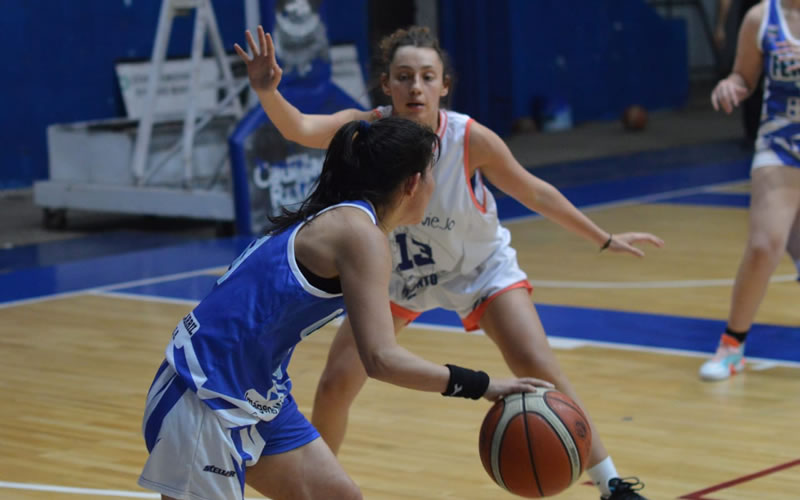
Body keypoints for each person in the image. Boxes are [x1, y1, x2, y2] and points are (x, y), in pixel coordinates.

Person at [235, 25, 663, 500]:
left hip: (479, 269)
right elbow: (301, 128)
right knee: (336, 382)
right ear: (386, 85)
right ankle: (318, 486)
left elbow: (534, 191)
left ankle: (613, 486)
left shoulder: (470, 139)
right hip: (401, 277)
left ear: (444, 85)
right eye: (403, 77)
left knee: (538, 367)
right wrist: (266, 91)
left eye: (425, 76)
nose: (414, 86)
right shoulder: (368, 131)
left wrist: (603, 238)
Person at [137, 116, 551, 500]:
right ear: (412, 183)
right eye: (432, 175)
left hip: (254, 395)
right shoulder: (360, 234)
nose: (435, 186)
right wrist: (481, 385)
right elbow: (381, 359)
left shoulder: (349, 222)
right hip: (200, 396)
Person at [702, 0, 800, 381]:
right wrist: (731, 84)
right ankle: (732, 346)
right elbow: (745, 77)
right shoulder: (761, 17)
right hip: (780, 146)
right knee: (763, 246)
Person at [715, 0, 764, 143]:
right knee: (754, 79)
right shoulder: (756, 17)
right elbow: (743, 76)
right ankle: (753, 134)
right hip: (777, 133)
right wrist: (731, 83)